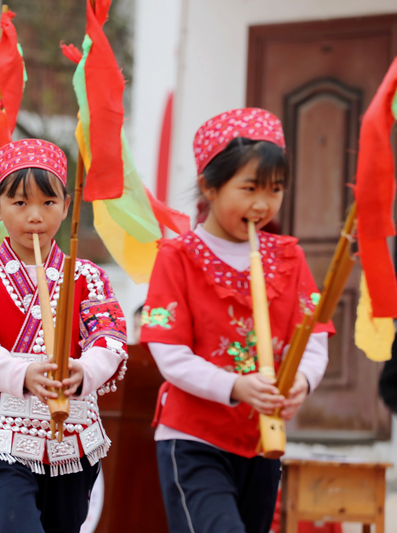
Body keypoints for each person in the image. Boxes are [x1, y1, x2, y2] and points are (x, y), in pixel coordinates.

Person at [140, 108, 333, 533]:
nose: (263, 204)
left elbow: (314, 337)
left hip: (261, 444)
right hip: (193, 440)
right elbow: (168, 351)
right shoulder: (178, 256)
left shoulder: (289, 256)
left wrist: (300, 382)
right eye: (249, 188)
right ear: (209, 186)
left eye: (275, 189)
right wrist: (235, 386)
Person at [0, 139, 128, 533]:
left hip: (72, 436)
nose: (35, 216)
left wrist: (84, 372)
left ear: (66, 206)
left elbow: (110, 336)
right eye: (19, 203)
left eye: (48, 203)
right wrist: (22, 376)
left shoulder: (88, 275)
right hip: (1, 433)